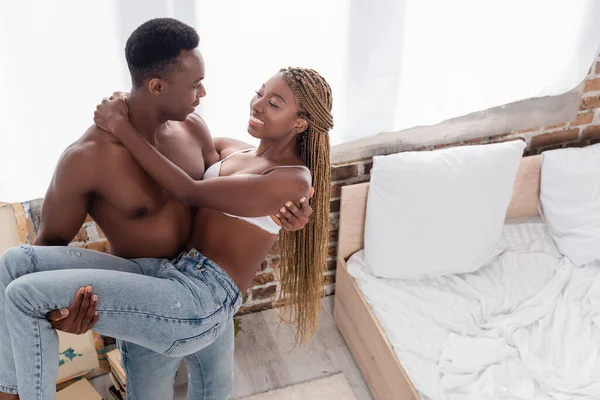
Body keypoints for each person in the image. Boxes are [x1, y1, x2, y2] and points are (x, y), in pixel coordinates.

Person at [0, 18, 314, 400]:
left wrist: (288, 214)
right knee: (13, 267)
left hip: (201, 291)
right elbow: (49, 244)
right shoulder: (87, 159)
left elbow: (226, 193)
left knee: (215, 391)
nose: (202, 93)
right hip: (146, 289)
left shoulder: (193, 129)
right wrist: (55, 314)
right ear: (157, 85)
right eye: (194, 84)